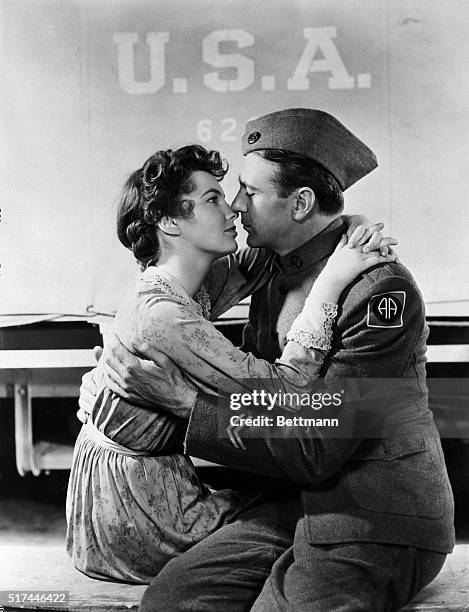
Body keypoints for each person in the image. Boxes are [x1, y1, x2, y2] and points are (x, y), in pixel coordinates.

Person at [80, 109, 455, 611]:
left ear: (300, 203)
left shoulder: (381, 290)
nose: (236, 205)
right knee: (174, 601)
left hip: (373, 513)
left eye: (249, 193)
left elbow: (318, 444)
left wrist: (187, 403)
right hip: (285, 502)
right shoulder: (274, 268)